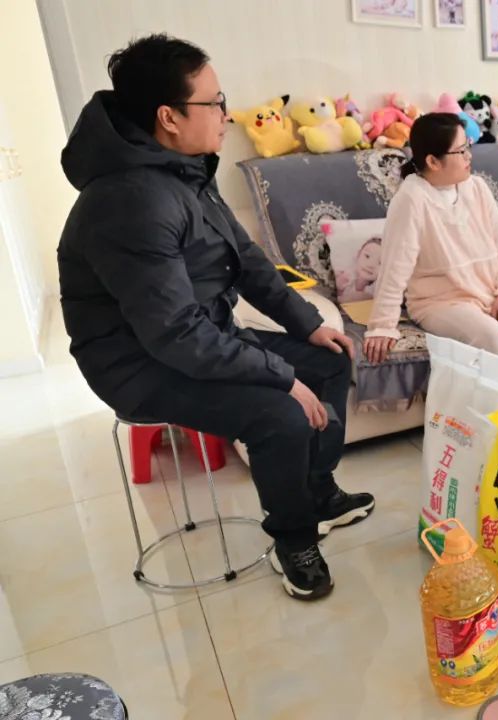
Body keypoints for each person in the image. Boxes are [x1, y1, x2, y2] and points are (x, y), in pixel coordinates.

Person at [58, 35, 374, 602]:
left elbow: (247, 261)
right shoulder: (130, 200)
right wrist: (280, 378)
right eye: (214, 102)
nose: (226, 114)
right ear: (169, 117)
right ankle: (294, 540)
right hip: (140, 365)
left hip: (200, 336)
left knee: (328, 358)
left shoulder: (183, 172)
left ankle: (316, 493)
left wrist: (307, 324)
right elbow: (175, 335)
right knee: (280, 413)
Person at [362, 113, 498, 363]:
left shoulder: (476, 186)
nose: (469, 156)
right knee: (490, 336)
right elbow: (395, 266)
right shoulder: (411, 198)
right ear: (433, 161)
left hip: (490, 291)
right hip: (440, 303)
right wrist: (382, 325)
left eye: (468, 146)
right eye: (461, 151)